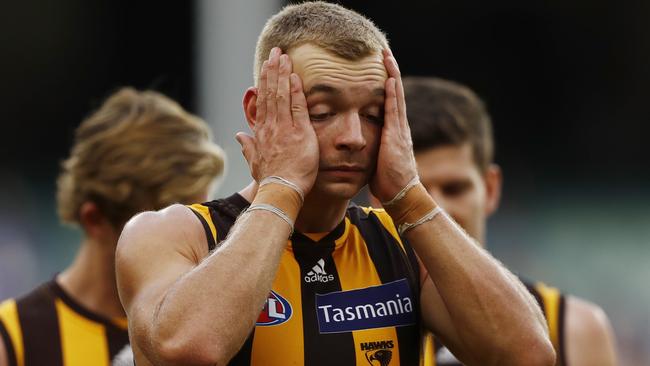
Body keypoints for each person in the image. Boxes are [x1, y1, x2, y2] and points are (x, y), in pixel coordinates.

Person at [115, 3, 555, 365]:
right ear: (257, 112)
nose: (353, 138)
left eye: (372, 114)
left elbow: (527, 354)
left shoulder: (400, 245)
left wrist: (410, 197)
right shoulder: (172, 235)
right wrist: (282, 187)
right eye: (322, 112)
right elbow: (190, 350)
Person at [397, 76, 618, 366]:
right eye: (416, 191)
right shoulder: (344, 320)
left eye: (454, 188)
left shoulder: (574, 328)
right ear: (377, 195)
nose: (435, 209)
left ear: (490, 189)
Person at [0, 87, 225, 366]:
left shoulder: (216, 330)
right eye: (159, 231)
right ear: (94, 219)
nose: (196, 243)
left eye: (199, 221)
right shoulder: (14, 338)